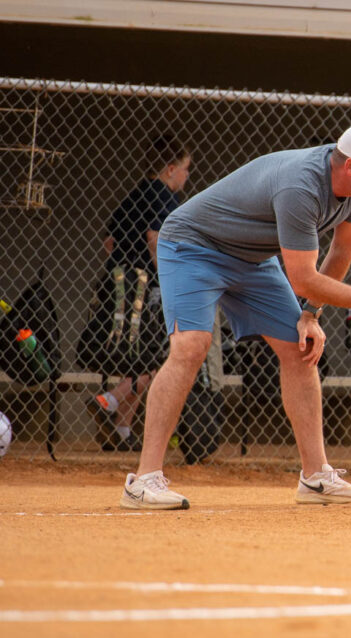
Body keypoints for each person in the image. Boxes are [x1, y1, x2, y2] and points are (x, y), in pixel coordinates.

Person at [119, 123, 351, 510]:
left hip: (252, 258)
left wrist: (311, 314)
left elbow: (341, 251)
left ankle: (315, 477)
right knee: (191, 347)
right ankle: (144, 480)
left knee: (301, 349)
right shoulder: (302, 185)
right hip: (194, 245)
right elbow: (303, 278)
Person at [87, 134, 192, 451]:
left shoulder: (136, 194)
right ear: (170, 168)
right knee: (155, 355)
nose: (187, 176)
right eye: (186, 169)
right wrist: (167, 278)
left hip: (120, 282)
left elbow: (109, 242)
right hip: (146, 286)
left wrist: (124, 266)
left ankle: (122, 430)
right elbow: (155, 238)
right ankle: (109, 400)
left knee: (140, 355)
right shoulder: (163, 196)